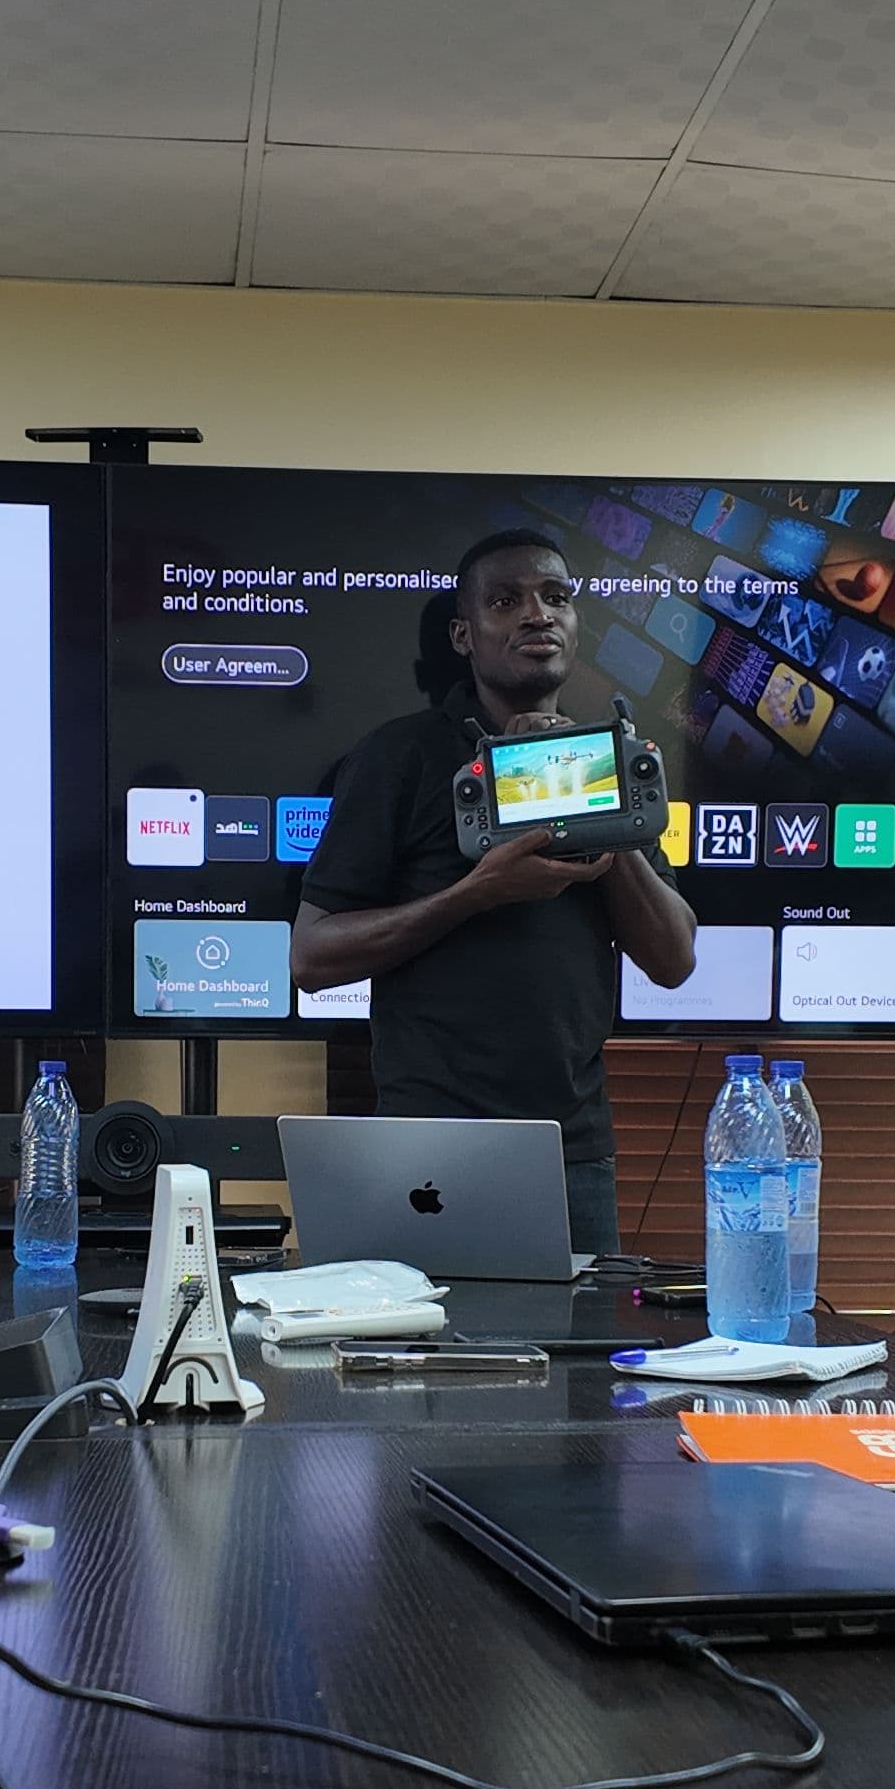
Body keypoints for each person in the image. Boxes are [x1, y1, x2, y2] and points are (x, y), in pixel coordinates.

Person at [294, 529, 698, 1253]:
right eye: (506, 601)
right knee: (416, 1332)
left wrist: (586, 804)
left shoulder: (604, 759)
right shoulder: (399, 756)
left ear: (575, 624)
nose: (537, 614)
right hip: (426, 1145)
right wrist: (476, 892)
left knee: (580, 1332)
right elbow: (312, 958)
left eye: (556, 597)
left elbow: (673, 960)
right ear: (464, 635)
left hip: (571, 1149)